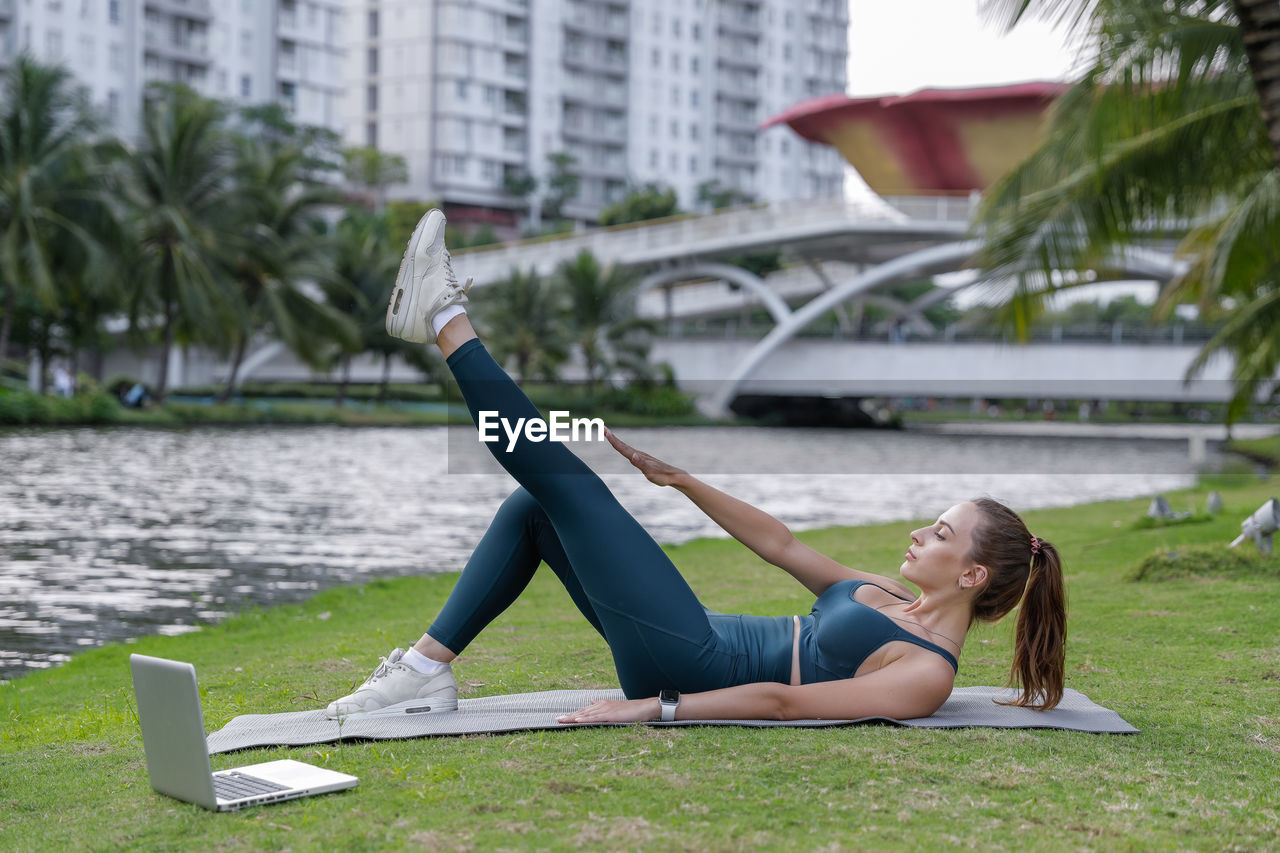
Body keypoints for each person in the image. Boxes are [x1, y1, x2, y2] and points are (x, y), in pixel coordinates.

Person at [325, 210, 1068, 724]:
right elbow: (780, 544)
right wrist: (681, 480)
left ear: (972, 574)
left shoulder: (929, 672)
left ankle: (446, 319)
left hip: (694, 663)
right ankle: (425, 670)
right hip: (694, 632)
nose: (918, 532)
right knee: (539, 508)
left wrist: (651, 706)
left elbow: (786, 705)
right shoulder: (884, 594)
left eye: (940, 533)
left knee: (567, 481)